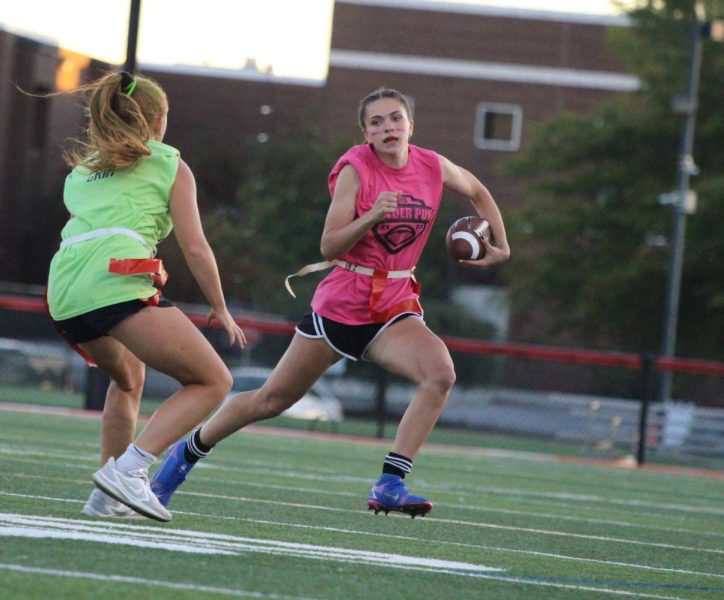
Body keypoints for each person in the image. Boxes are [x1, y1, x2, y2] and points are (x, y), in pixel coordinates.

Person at [150, 87, 510, 517]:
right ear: (366, 133)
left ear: (410, 125)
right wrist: (372, 214)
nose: (388, 128)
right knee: (270, 401)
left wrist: (501, 246)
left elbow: (478, 189)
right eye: (376, 122)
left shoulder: (431, 164)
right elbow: (328, 245)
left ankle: (391, 482)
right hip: (343, 306)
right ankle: (183, 455)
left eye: (395, 118)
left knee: (440, 374)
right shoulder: (355, 169)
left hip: (394, 304)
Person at [46, 71, 246, 522]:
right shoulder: (169, 162)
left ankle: (104, 497)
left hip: (63, 292)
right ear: (156, 120)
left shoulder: (82, 172)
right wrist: (219, 305)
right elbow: (195, 246)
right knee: (214, 381)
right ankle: (133, 469)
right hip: (114, 282)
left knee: (128, 378)